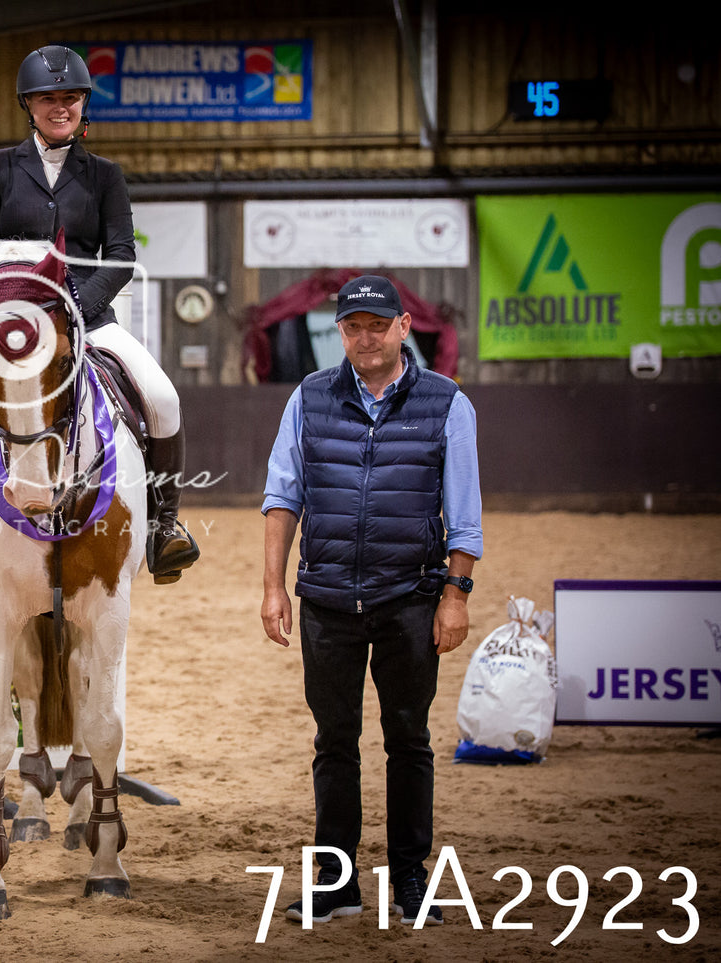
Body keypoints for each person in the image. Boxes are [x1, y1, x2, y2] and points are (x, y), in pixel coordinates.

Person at [0, 43, 199, 589]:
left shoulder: (105, 175)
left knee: (163, 398)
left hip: (89, 319)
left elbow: (121, 256)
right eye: (48, 98)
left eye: (70, 97)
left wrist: (76, 309)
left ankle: (164, 526)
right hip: (7, 322)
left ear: (83, 104)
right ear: (29, 105)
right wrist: (9, 310)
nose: (60, 107)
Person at [259, 275, 482, 927]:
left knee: (409, 740)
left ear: (403, 327)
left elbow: (464, 516)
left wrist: (455, 595)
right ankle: (336, 883)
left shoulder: (446, 403)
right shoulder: (308, 396)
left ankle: (410, 878)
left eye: (377, 326)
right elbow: (282, 495)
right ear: (340, 332)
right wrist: (272, 586)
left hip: (410, 599)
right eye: (352, 327)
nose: (365, 338)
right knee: (334, 742)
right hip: (326, 601)